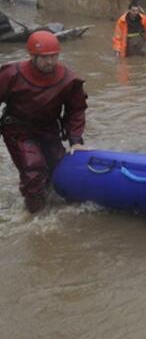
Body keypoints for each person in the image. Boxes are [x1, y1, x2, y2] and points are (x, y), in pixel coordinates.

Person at [0, 31, 89, 213]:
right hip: (17, 130)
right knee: (34, 169)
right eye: (44, 57)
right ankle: (35, 215)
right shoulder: (11, 74)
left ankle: (56, 203)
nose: (50, 62)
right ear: (32, 56)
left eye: (54, 56)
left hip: (48, 128)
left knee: (58, 167)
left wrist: (76, 141)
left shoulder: (68, 79)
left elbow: (76, 110)